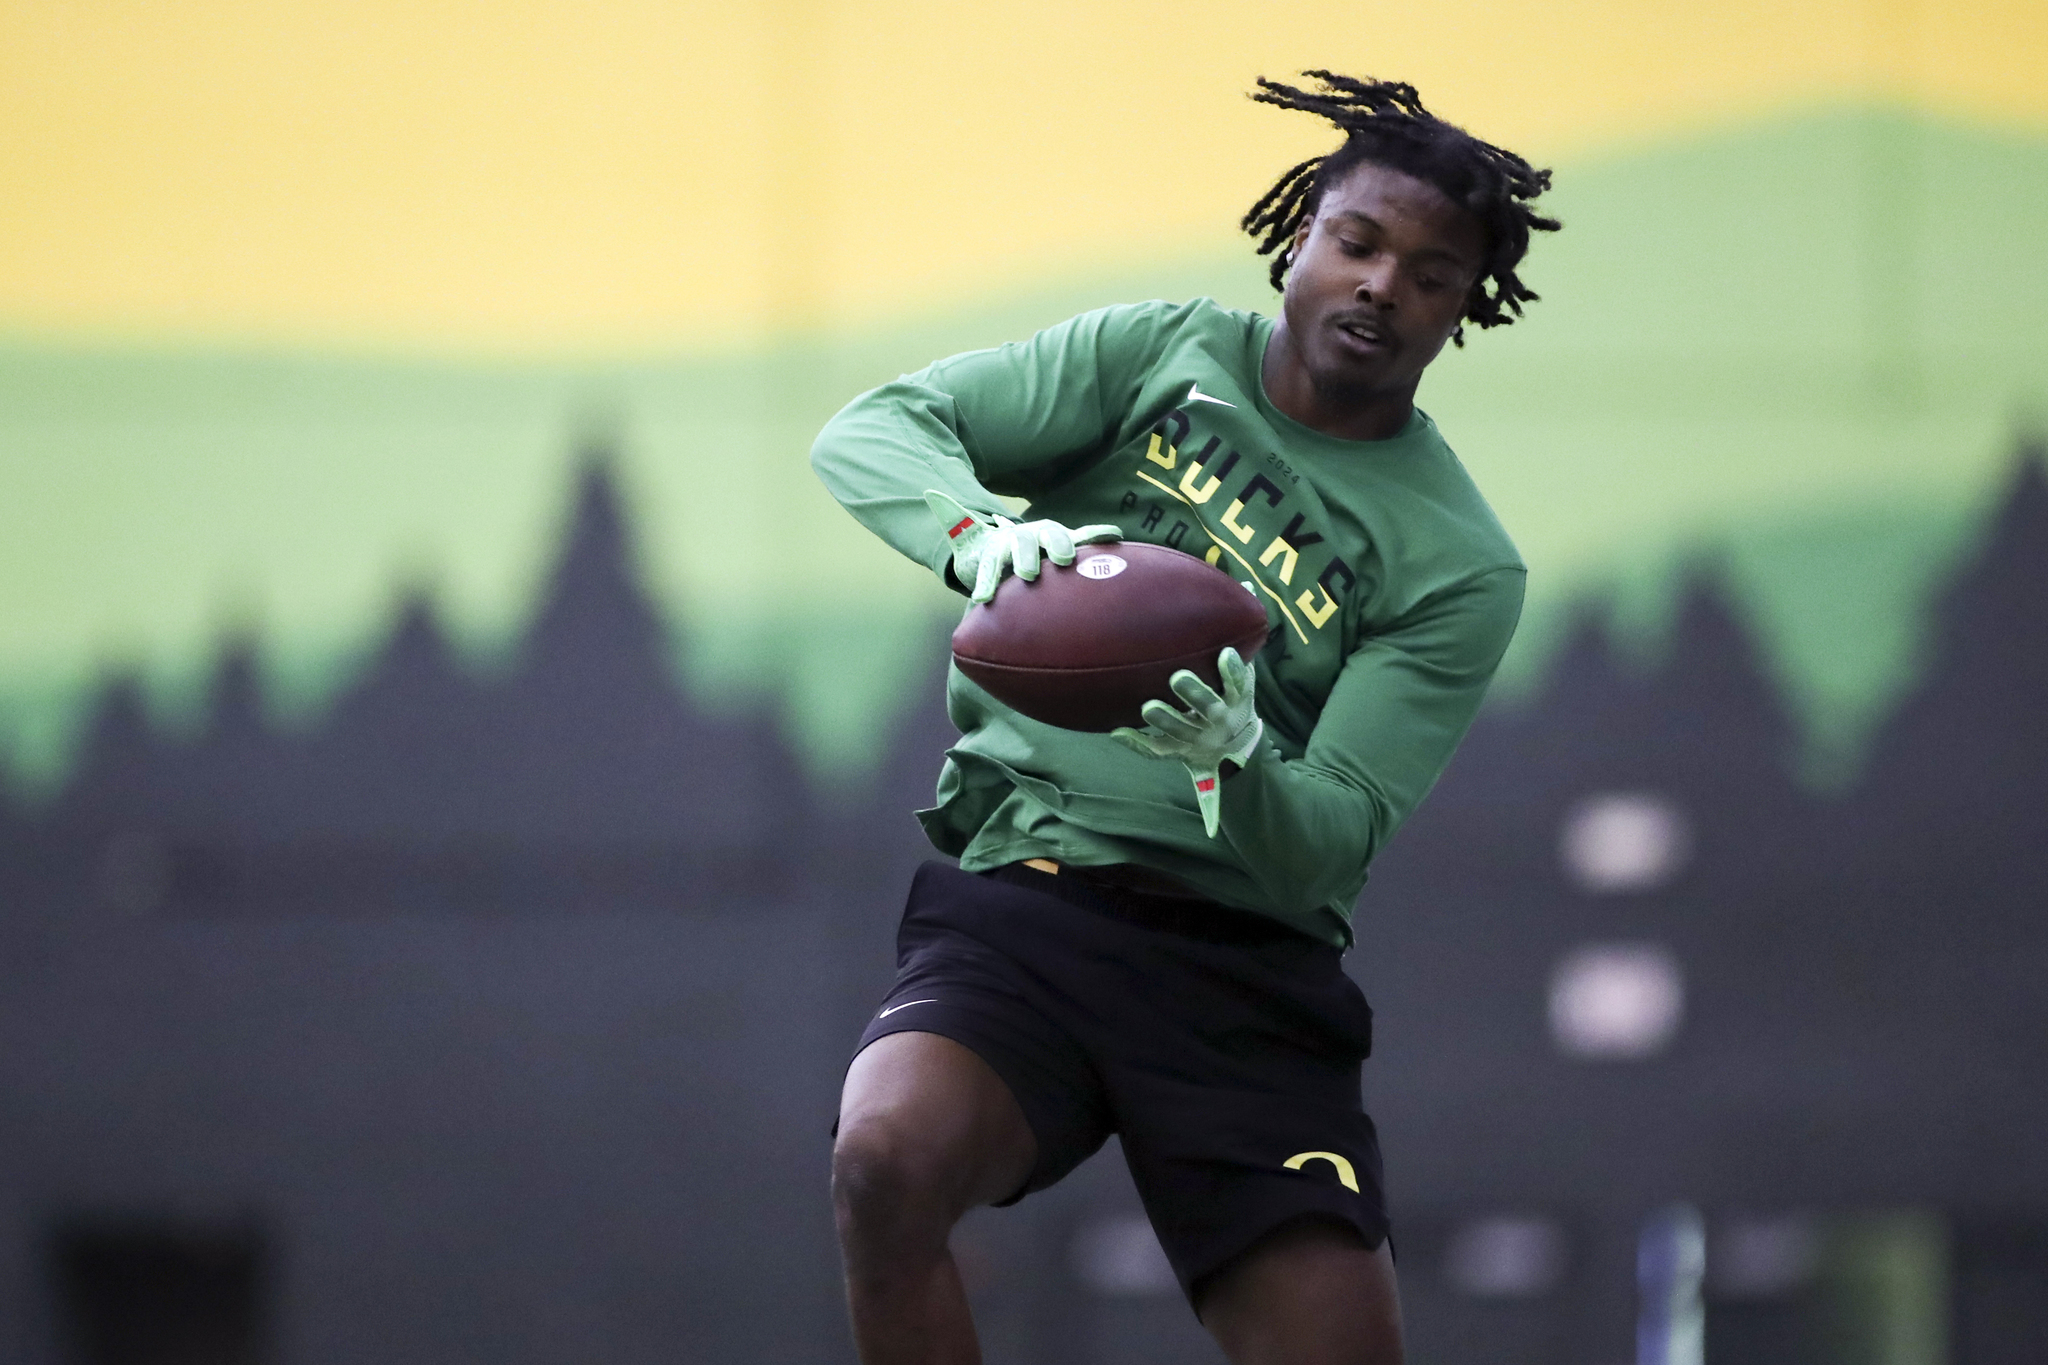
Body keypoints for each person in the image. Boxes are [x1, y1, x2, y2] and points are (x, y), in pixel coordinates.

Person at [811, 71, 1559, 1365]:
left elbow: (1334, 840)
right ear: (1299, 238)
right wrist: (980, 536)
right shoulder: (1160, 354)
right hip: (1030, 901)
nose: (1385, 285)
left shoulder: (1460, 561)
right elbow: (875, 431)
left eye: (1433, 274)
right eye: (1359, 242)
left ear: (1463, 313)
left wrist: (1237, 762)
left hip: (1239, 969)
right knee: (883, 1157)